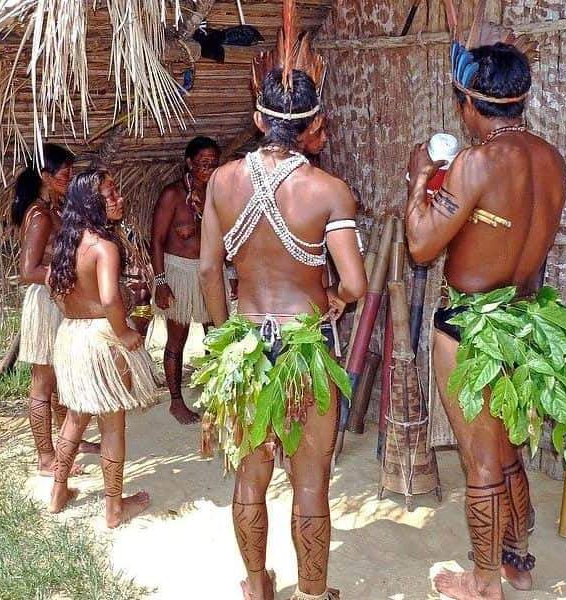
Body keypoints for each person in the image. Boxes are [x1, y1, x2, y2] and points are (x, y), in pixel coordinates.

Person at [198, 54, 367, 599]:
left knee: (250, 472)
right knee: (310, 479)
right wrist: (335, 299)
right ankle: (313, 594)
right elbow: (356, 284)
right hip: (304, 347)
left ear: (257, 118)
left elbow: (207, 271)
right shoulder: (328, 191)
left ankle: (255, 584)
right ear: (314, 123)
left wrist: (227, 340)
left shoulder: (222, 182)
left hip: (246, 345)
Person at [404, 42, 566, 600]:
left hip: (469, 327)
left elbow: (421, 246)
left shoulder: (475, 162)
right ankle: (518, 561)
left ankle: (484, 581)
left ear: (469, 103)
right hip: (523, 321)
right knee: (508, 450)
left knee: (480, 463)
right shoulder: (549, 158)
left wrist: (417, 180)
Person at [46, 168, 161, 522]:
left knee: (76, 419)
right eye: (110, 194)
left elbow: (54, 286)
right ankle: (114, 507)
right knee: (112, 426)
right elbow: (111, 299)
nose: (118, 199)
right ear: (91, 202)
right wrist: (124, 333)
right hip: (102, 340)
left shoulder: (66, 243)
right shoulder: (103, 247)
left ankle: (58, 491)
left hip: (73, 336)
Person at [12, 144, 99, 477]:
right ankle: (46, 457)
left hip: (58, 298)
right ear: (46, 177)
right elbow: (27, 270)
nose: (70, 177)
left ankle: (68, 441)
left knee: (63, 375)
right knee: (43, 383)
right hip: (45, 303)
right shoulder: (38, 215)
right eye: (65, 173)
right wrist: (67, 277)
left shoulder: (52, 209)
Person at [151, 136, 221, 424]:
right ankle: (176, 401)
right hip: (177, 272)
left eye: (213, 164)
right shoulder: (173, 195)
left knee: (217, 338)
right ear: (189, 163)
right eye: (203, 163)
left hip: (209, 272)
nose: (208, 169)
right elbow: (156, 240)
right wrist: (161, 281)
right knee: (176, 341)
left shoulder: (217, 194)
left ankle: (218, 395)